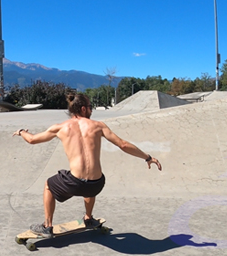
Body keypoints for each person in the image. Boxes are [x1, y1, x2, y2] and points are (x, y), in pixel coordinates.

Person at [13, 91, 162, 236]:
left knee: (48, 185)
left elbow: (32, 139)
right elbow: (122, 144)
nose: (92, 110)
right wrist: (147, 157)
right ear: (83, 108)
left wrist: (21, 132)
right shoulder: (99, 126)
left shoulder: (59, 128)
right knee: (90, 181)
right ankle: (88, 218)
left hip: (74, 183)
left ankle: (47, 226)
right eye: (90, 107)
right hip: (96, 185)